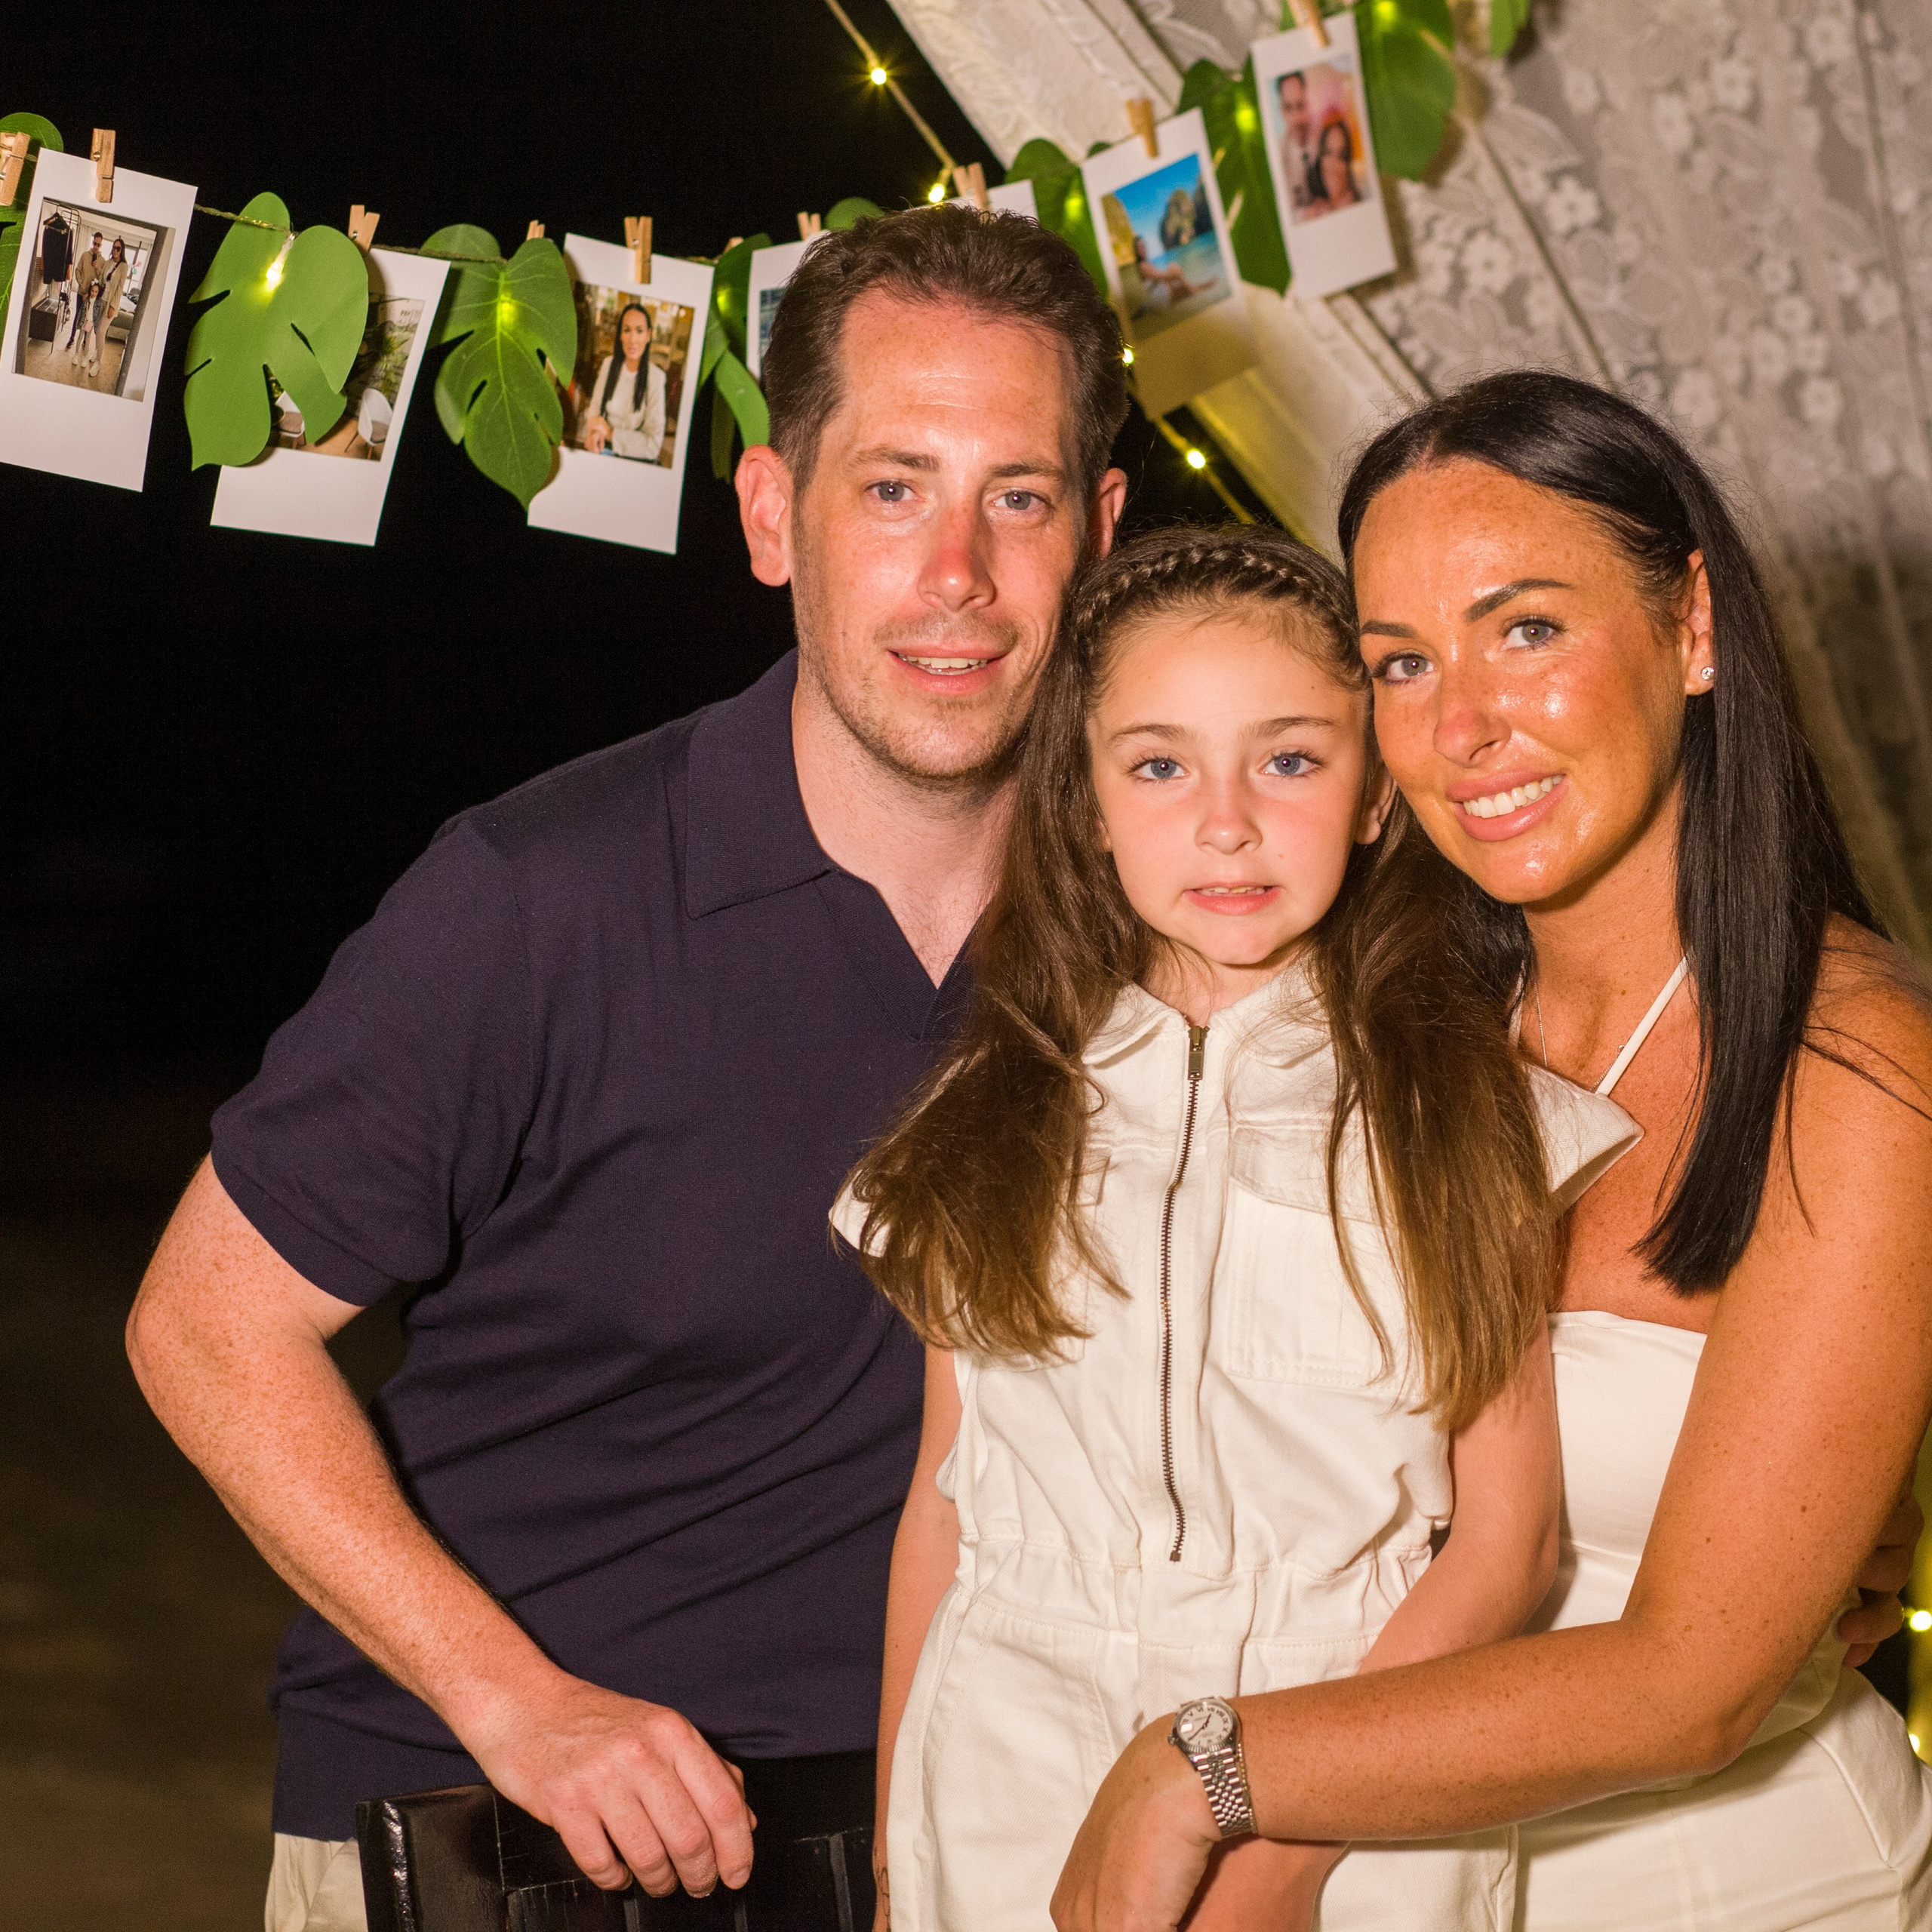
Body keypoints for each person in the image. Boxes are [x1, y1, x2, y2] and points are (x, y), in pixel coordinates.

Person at [125, 204, 1129, 1932]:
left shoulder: (1157, 917)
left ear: (1099, 533)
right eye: (890, 487)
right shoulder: (543, 894)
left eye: (1015, 495)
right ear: (768, 511)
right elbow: (208, 1324)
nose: (955, 569)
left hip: (943, 1837)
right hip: (490, 1826)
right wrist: (514, 1696)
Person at [1052, 371, 1932, 1931]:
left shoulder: (1853, 1065)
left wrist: (1204, 1771)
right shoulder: (1382, 1021)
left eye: (1524, 628)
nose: (1461, 726)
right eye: (1400, 661)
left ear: (1695, 624)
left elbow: (1691, 1681)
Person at [841, 524, 1641, 1932]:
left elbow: (1507, 1547)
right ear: (1085, 803)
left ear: (1378, 796)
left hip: (1351, 1761)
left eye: (1288, 759)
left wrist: (1284, 1848)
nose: (1226, 822)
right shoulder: (990, 1112)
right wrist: (905, 1843)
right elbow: (944, 1508)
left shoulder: (1467, 1111)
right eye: (1159, 764)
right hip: (1006, 1755)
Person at [580, 300, 666, 461]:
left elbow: (653, 445)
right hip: (603, 452)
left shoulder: (656, 378)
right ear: (620, 335)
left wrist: (611, 434)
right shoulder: (608, 365)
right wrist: (595, 432)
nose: (633, 339)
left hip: (636, 460)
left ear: (648, 336)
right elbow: (595, 409)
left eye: (639, 331)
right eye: (627, 330)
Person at [1275, 72, 1319, 218]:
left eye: (1300, 105)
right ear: (1281, 111)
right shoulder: (1278, 152)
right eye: (1288, 108)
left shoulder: (1325, 139)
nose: (1296, 118)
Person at [90, 237, 129, 380]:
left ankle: (99, 362)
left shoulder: (124, 267)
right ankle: (96, 351)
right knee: (96, 329)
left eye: (118, 248)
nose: (115, 250)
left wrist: (113, 306)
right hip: (101, 300)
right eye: (114, 247)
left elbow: (120, 289)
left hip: (110, 305)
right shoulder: (108, 263)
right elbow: (101, 279)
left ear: (122, 250)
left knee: (101, 331)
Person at [1309, 118, 1364, 215]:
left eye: (1341, 156)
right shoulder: (1317, 211)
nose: (1333, 165)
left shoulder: (1360, 207)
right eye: (1328, 152)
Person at [68, 230, 105, 361]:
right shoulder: (85, 255)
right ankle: (72, 337)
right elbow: (77, 269)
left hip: (92, 297)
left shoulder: (102, 261)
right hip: (81, 292)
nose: (96, 246)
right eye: (95, 243)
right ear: (93, 242)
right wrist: (80, 281)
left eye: (99, 244)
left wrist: (98, 268)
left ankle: (85, 341)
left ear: (101, 245)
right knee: (78, 315)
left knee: (88, 319)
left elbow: (102, 279)